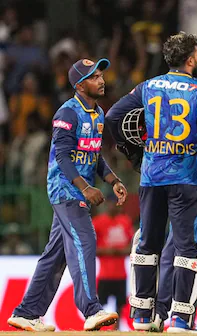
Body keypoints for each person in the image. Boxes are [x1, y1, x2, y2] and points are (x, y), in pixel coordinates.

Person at [106, 31, 197, 333]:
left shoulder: (148, 87)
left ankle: (142, 317)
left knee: (147, 243)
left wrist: (133, 154)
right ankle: (180, 320)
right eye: (196, 52)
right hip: (184, 177)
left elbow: (114, 117)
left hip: (151, 175)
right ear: (190, 58)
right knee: (186, 248)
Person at [7, 58, 127, 332]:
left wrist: (112, 179)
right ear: (79, 85)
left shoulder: (97, 114)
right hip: (65, 190)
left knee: (55, 255)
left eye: (101, 75)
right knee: (85, 240)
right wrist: (85, 187)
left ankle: (27, 312)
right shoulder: (67, 113)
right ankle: (91, 309)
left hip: (77, 190)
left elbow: (94, 156)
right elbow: (61, 155)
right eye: (94, 77)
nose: (101, 80)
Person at [92, 195, 135, 329]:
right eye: (110, 203)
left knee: (120, 305)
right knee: (101, 303)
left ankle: (117, 328)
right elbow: (91, 247)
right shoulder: (98, 222)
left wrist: (119, 251)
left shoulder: (125, 221)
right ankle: (97, 326)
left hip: (120, 274)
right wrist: (107, 251)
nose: (112, 206)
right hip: (105, 274)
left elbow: (132, 244)